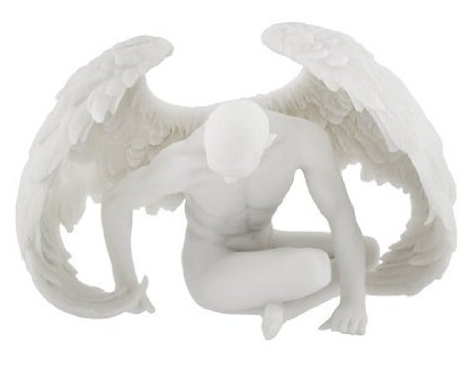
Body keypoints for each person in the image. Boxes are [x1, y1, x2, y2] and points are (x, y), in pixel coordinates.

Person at [102, 99, 376, 339]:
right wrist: (125, 281)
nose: (226, 179)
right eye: (218, 168)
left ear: (267, 144)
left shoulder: (301, 140)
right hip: (212, 269)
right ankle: (286, 303)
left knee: (367, 251)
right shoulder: (183, 160)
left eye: (235, 172)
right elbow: (116, 202)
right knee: (316, 268)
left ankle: (287, 310)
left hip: (265, 244)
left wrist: (354, 301)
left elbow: (340, 213)